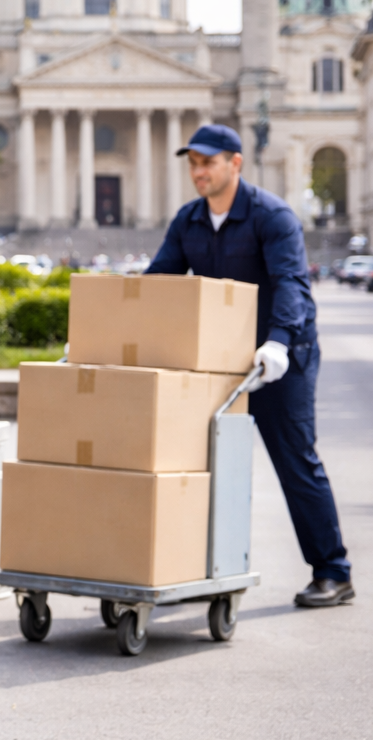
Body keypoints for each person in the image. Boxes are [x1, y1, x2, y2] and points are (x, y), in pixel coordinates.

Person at [146, 123, 353, 608]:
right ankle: (191, 572)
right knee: (193, 467)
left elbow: (291, 284)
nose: (198, 172)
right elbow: (158, 283)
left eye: (208, 162)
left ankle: (333, 572)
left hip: (281, 359)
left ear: (235, 163)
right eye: (193, 163)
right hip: (220, 362)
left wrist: (277, 343)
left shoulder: (272, 216)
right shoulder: (189, 220)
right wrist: (112, 327)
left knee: (295, 462)